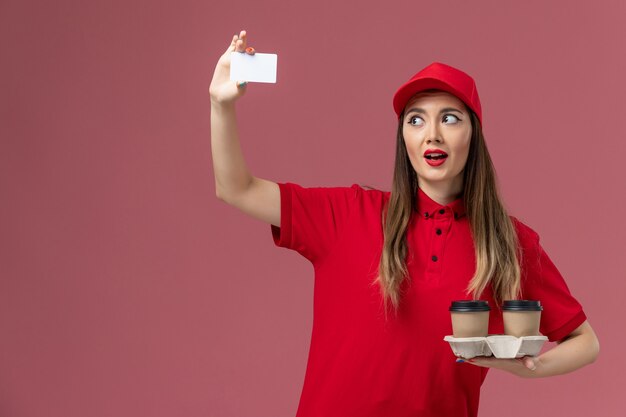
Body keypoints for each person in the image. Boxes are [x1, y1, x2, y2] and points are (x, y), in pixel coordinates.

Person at [210, 30, 600, 417]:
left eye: (449, 118)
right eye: (416, 120)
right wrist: (220, 106)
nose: (432, 134)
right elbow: (236, 189)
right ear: (404, 138)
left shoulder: (507, 242)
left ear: (473, 134)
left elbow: (585, 342)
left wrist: (531, 369)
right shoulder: (348, 214)